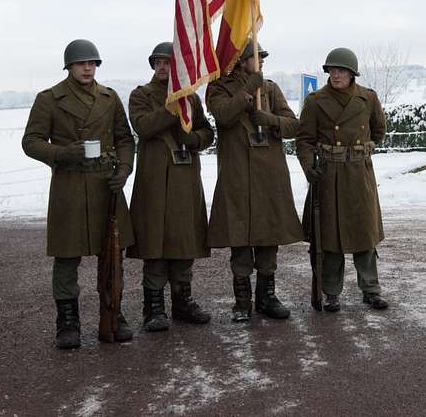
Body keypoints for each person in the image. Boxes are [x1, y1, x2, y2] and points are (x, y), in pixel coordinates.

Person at [21, 39, 135, 348]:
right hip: (69, 186)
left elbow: (125, 138)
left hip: (105, 187)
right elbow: (31, 141)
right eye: (82, 63)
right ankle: (67, 322)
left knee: (112, 255)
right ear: (69, 66)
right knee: (66, 257)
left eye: (92, 63)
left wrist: (124, 169)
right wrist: (62, 154)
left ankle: (114, 313)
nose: (88, 68)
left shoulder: (110, 98)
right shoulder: (50, 99)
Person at [206, 43, 305, 322]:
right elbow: (223, 117)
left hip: (269, 176)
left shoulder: (270, 89)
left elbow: (294, 126)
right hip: (237, 175)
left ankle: (267, 297)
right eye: (254, 58)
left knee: (268, 238)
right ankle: (242, 302)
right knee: (239, 240)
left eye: (261, 58)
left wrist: (270, 120)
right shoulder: (219, 88)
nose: (260, 62)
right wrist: (248, 90)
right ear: (240, 61)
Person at [126, 42, 213, 331]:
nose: (163, 67)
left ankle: (182, 301)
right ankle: (154, 308)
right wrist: (172, 108)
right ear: (153, 66)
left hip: (185, 180)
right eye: (159, 62)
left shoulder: (192, 98)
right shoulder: (141, 95)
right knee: (155, 244)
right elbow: (144, 127)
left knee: (184, 241)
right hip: (154, 181)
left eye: (168, 62)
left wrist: (196, 139)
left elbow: (206, 131)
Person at [296, 47, 389, 312]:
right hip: (329, 176)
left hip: (360, 174)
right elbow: (304, 141)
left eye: (340, 71)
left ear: (351, 74)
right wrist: (308, 167)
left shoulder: (368, 99)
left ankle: (371, 289)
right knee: (330, 238)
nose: (335, 75)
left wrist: (361, 150)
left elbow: (379, 130)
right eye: (331, 70)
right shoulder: (315, 101)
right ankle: (331, 293)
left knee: (365, 235)